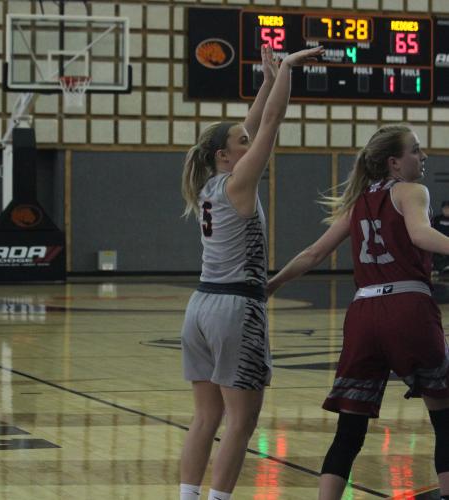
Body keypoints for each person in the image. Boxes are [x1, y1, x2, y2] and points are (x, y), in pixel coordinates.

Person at [267, 124, 449, 500]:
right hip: (408, 309)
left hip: (363, 314)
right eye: (415, 150)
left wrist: (272, 284)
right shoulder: (413, 191)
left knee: (349, 433)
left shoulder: (357, 202)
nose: (424, 155)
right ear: (394, 164)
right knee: (445, 419)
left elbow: (313, 254)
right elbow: (419, 234)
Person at [179, 44, 324, 500]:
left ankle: (188, 497)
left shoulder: (209, 182)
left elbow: (256, 122)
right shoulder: (239, 183)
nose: (250, 139)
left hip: (199, 307)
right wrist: (288, 72)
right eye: (242, 141)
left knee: (206, 417)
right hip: (235, 308)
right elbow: (273, 123)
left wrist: (265, 80)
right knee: (241, 422)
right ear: (226, 156)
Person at [433, 201, 449, 274]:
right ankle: (437, 269)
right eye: (445, 208)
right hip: (437, 243)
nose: (446, 210)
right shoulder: (437, 219)